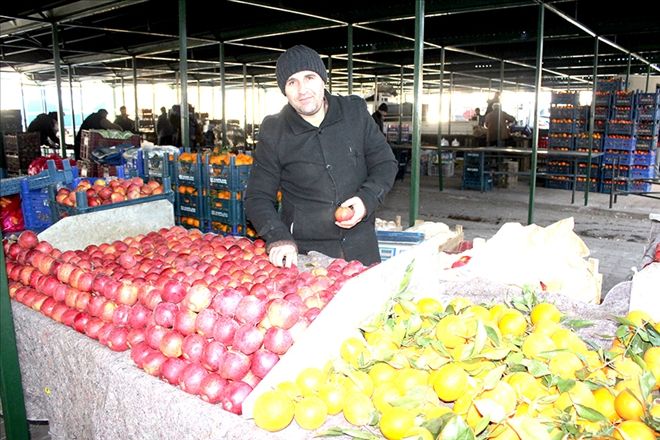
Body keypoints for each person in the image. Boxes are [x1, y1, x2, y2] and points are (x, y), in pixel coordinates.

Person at [245, 45, 397, 268]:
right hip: (308, 255)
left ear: (323, 79)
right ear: (284, 90)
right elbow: (257, 196)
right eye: (291, 82)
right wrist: (278, 236)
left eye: (309, 77)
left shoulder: (354, 113)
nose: (302, 89)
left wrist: (367, 199)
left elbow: (385, 163)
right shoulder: (275, 130)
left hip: (361, 248)